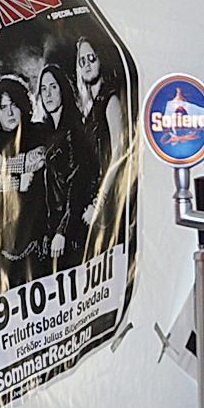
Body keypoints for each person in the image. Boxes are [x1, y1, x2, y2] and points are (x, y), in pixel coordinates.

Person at [0, 75, 47, 292]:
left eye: (14, 104)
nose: (10, 112)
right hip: (1, 245)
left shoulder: (37, 131)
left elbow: (39, 158)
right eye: (3, 107)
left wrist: (0, 165)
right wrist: (16, 181)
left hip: (38, 239)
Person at [75, 36, 124, 258]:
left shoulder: (110, 99)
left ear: (100, 60)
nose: (86, 65)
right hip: (92, 199)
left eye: (91, 58)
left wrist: (100, 200)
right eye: (81, 61)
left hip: (108, 200)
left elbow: (119, 152)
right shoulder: (90, 107)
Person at [37, 63, 87, 270]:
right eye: (43, 89)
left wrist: (62, 231)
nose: (48, 94)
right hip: (55, 228)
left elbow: (77, 182)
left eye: (53, 87)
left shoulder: (72, 131)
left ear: (63, 89)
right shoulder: (49, 133)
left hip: (69, 230)